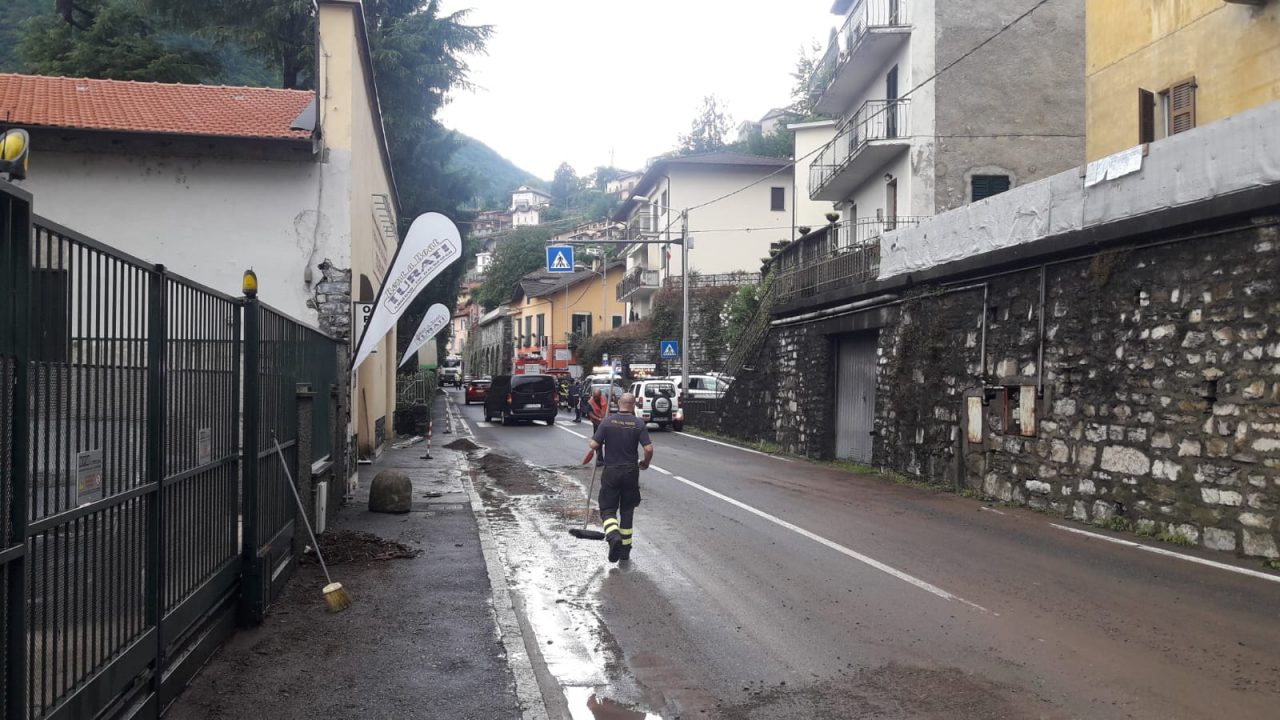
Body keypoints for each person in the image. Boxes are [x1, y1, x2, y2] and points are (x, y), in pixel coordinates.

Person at [589, 393, 654, 563]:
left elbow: (594, 445)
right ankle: (625, 551)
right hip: (631, 472)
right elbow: (648, 449)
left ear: (619, 403)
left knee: (608, 509)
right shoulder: (638, 423)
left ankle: (613, 535)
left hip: (611, 471)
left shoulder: (608, 421)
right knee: (627, 510)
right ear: (633, 405)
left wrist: (602, 438)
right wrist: (645, 463)